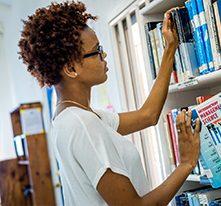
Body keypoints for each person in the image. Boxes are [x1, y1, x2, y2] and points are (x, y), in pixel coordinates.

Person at [18, 1, 201, 205]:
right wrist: (186, 163)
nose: (103, 56)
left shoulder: (73, 116)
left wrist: (170, 49)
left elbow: (148, 115)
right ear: (71, 68)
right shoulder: (81, 124)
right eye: (97, 50)